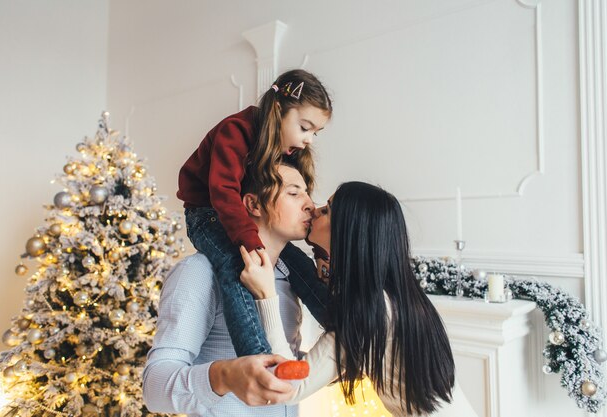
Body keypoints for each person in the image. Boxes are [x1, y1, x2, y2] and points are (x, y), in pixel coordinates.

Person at [240, 182, 480, 417]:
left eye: (327, 210)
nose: (315, 209)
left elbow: (291, 387)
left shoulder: (370, 310)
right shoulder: (395, 295)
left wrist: (266, 295)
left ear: (348, 230)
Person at [177, 69, 333, 357]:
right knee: (237, 264)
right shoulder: (235, 131)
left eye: (315, 132)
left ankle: (345, 329)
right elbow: (223, 191)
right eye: (305, 127)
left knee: (298, 264)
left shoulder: (286, 149)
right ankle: (258, 354)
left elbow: (290, 207)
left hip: (243, 217)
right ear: (278, 110)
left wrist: (321, 251)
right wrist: (250, 243)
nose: (309, 139)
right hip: (207, 213)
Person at [143, 163, 320, 416]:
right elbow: (154, 388)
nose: (310, 205)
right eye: (294, 193)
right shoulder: (199, 272)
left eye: (307, 192)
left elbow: (281, 361)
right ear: (253, 205)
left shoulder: (290, 278)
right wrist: (225, 376)